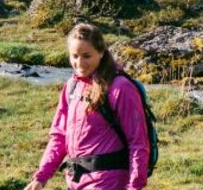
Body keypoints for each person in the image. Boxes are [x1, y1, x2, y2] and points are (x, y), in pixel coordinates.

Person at [26, 23, 152, 190]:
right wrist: (40, 177)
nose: (79, 63)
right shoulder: (71, 86)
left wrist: (134, 187)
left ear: (101, 52)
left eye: (86, 56)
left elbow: (138, 143)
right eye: (74, 56)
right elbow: (59, 136)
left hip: (107, 182)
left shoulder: (120, 88)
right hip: (75, 182)